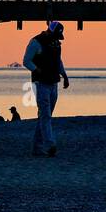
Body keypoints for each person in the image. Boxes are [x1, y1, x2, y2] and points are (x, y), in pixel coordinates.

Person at [23, 21, 70, 157]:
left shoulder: (56, 44)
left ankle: (36, 148)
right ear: (49, 31)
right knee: (45, 115)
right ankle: (50, 145)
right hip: (40, 83)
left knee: (44, 116)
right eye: (56, 35)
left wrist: (64, 75)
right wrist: (37, 70)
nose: (57, 38)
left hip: (53, 83)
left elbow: (58, 61)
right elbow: (26, 61)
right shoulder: (36, 42)